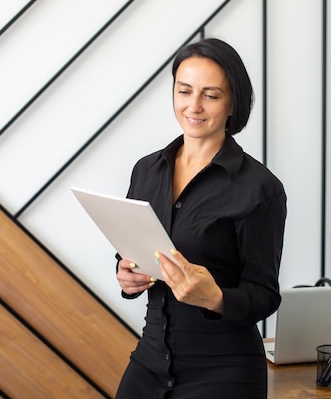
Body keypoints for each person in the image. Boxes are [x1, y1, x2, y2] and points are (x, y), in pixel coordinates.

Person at [114, 38, 286, 399]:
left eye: (210, 95)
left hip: (224, 370)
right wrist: (126, 273)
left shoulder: (259, 188)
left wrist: (216, 297)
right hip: (150, 360)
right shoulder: (147, 171)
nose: (193, 106)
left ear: (232, 103)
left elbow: (265, 294)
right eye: (184, 91)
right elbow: (133, 249)